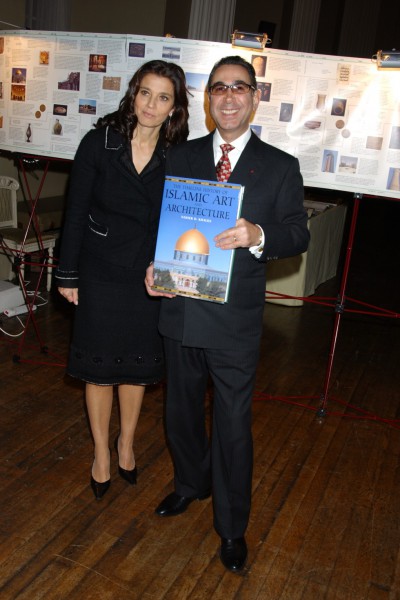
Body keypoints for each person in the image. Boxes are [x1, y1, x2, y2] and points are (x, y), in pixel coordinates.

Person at [145, 55, 310, 572]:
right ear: (209, 101)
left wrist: (258, 235)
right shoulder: (182, 157)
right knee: (181, 413)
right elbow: (160, 225)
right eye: (219, 88)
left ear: (255, 98)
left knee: (234, 425)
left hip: (235, 320)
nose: (230, 96)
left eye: (240, 87)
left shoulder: (281, 166)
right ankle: (190, 485)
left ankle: (232, 527)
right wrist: (152, 266)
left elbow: (297, 234)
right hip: (180, 307)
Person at [56, 60, 189, 500]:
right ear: (133, 94)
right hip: (99, 271)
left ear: (174, 108)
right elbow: (74, 211)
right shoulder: (100, 142)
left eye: (163, 97)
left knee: (135, 368)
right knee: (99, 369)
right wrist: (68, 273)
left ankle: (126, 443)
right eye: (145, 92)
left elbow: (184, 218)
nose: (152, 104)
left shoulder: (178, 154)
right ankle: (100, 453)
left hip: (148, 276)